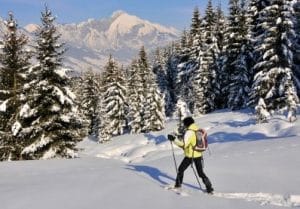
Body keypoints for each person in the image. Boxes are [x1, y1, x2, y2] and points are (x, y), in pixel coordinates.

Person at [168, 116, 214, 194]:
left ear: (187, 124)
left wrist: (174, 139)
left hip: (190, 156)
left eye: (184, 124)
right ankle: (209, 188)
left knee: (180, 169)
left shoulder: (189, 132)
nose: (184, 125)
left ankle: (178, 185)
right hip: (198, 154)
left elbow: (184, 145)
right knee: (200, 173)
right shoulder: (197, 129)